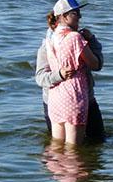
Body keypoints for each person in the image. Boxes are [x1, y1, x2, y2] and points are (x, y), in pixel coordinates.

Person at [36, 9, 105, 142]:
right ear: (63, 16)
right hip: (74, 97)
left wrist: (90, 40)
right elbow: (96, 65)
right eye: (75, 13)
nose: (80, 16)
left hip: (58, 102)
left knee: (58, 146)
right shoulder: (72, 39)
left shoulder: (51, 39)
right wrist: (60, 75)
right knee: (79, 147)